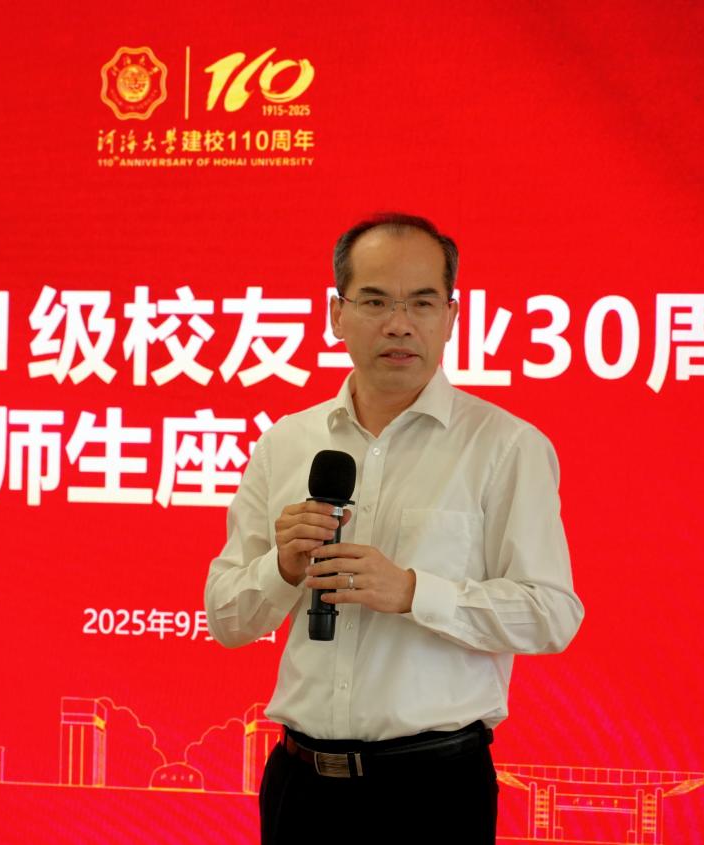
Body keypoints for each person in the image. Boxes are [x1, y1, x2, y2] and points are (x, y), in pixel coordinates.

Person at [204, 212, 585, 843]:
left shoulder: (506, 447)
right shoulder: (285, 443)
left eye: (422, 303)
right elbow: (226, 619)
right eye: (375, 301)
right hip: (301, 787)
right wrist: (282, 567)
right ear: (337, 314)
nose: (399, 323)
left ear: (451, 317)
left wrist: (412, 591)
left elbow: (552, 614)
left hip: (432, 792)